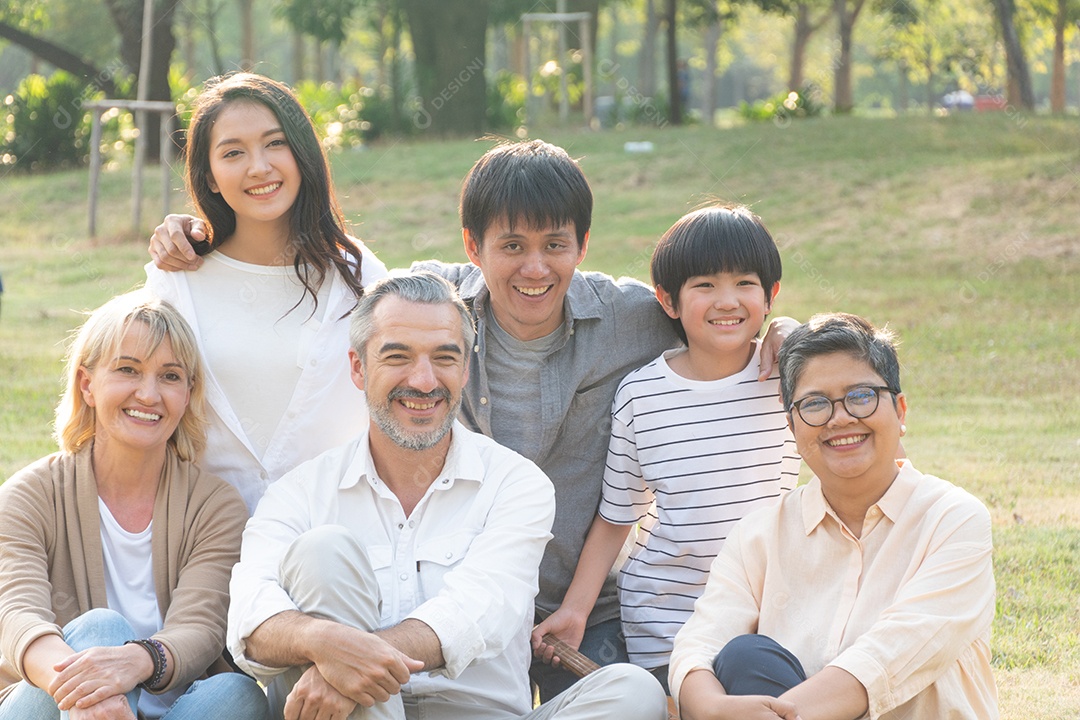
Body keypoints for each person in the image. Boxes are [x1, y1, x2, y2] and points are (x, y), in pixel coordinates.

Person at [149, 138, 795, 700]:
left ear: (583, 245)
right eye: (511, 246)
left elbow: (721, 308)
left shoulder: (632, 318)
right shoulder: (431, 304)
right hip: (447, 596)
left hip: (579, 606)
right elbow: (305, 276)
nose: (535, 268)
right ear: (472, 245)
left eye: (555, 246)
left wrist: (790, 333)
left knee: (633, 699)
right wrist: (205, 233)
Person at [226, 272, 669, 720]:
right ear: (358, 368)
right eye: (397, 357)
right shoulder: (301, 492)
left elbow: (479, 610)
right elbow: (250, 617)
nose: (423, 381)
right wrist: (320, 642)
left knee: (632, 692)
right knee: (324, 550)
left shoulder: (516, 483)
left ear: (465, 370)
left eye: (444, 358)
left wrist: (347, 665)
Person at [670, 313, 997, 720]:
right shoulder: (758, 535)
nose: (840, 418)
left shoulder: (953, 520)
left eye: (861, 396)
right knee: (744, 657)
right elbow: (701, 642)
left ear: (900, 410)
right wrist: (707, 706)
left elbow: (888, 657)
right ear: (791, 425)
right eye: (815, 404)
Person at [535, 205, 800, 693]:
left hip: (773, 612)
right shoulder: (641, 395)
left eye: (745, 283)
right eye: (704, 285)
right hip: (666, 622)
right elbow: (617, 518)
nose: (727, 301)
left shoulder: (790, 378)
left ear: (770, 296)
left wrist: (795, 333)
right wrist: (575, 610)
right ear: (668, 300)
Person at [0, 291, 269, 720]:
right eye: (128, 370)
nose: (148, 394)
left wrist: (135, 662)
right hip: (49, 704)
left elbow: (201, 628)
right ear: (87, 385)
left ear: (188, 393)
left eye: (170, 376)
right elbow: (16, 615)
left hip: (178, 708)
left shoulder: (215, 506)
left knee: (240, 694)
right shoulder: (28, 495)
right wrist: (92, 693)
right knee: (101, 629)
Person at [144, 72, 389, 513]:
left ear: (303, 154)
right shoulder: (176, 280)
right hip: (204, 539)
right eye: (233, 152)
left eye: (275, 143)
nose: (259, 167)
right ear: (212, 177)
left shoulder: (356, 275)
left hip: (331, 531)